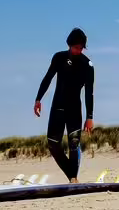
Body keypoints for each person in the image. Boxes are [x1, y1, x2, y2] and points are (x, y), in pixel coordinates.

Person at [34, 27, 94, 183]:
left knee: (74, 144)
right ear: (69, 44)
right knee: (53, 145)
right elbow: (48, 78)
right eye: (76, 47)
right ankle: (71, 174)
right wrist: (38, 99)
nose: (78, 51)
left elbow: (89, 92)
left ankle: (73, 179)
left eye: (81, 48)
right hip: (58, 107)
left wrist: (89, 116)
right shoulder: (59, 58)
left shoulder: (87, 65)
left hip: (74, 109)